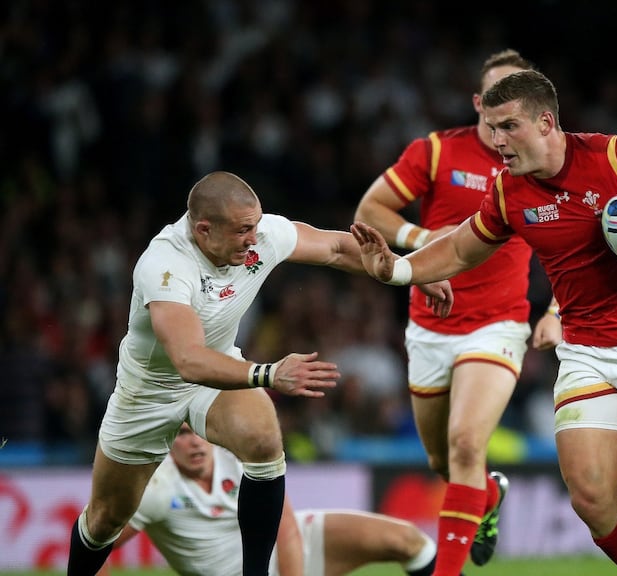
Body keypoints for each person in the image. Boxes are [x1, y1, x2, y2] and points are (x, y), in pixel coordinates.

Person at [352, 69, 617, 576]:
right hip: (587, 353)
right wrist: (398, 269)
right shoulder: (510, 193)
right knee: (593, 502)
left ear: (546, 122)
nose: (496, 140)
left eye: (508, 127)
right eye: (490, 127)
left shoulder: (616, 156)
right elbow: (462, 248)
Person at [67, 170, 453, 576]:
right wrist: (269, 374)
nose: (254, 239)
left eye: (255, 225)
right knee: (105, 520)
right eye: (242, 231)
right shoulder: (165, 265)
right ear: (203, 229)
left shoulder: (260, 233)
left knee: (263, 439)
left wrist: (404, 271)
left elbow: (338, 248)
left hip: (216, 372)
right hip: (149, 392)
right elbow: (187, 360)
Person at [353, 48, 538, 575]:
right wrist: (421, 237)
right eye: (495, 96)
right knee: (443, 461)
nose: (503, 110)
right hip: (429, 327)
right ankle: (487, 496)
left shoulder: (533, 165)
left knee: (464, 443)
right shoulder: (435, 152)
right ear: (478, 101)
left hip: (498, 323)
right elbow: (370, 210)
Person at [99, 424, 450, 576]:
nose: (194, 443)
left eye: (198, 433)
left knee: (408, 539)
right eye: (182, 435)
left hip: (289, 551)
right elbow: (97, 541)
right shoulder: (157, 489)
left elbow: (285, 526)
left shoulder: (233, 456)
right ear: (167, 441)